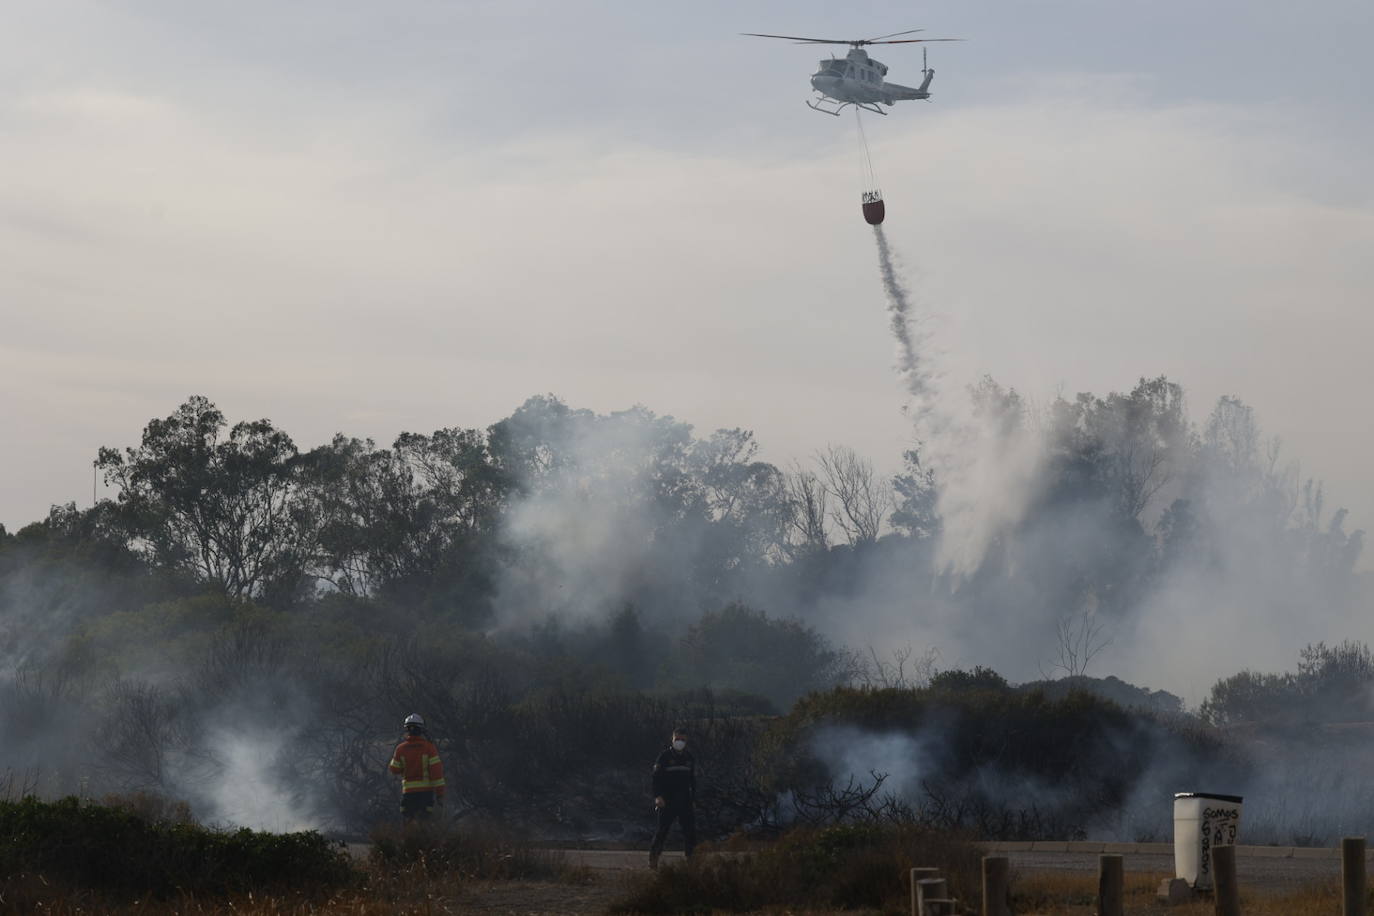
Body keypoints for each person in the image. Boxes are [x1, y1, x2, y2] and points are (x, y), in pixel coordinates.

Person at [649, 727, 696, 868]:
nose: (680, 742)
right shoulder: (664, 757)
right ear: (672, 739)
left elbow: (693, 781)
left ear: (686, 740)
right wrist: (657, 796)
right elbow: (655, 779)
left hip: (685, 800)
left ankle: (691, 861)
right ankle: (653, 859)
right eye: (677, 739)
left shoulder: (689, 758)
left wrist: (694, 799)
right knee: (662, 831)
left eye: (682, 740)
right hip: (667, 800)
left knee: (690, 832)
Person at [388, 713, 446, 823]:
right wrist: (440, 794)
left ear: (407, 730)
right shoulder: (429, 748)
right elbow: (437, 773)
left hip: (408, 794)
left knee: (409, 822)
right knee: (424, 824)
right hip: (425, 795)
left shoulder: (400, 749)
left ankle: (410, 839)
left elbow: (394, 769)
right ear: (421, 730)